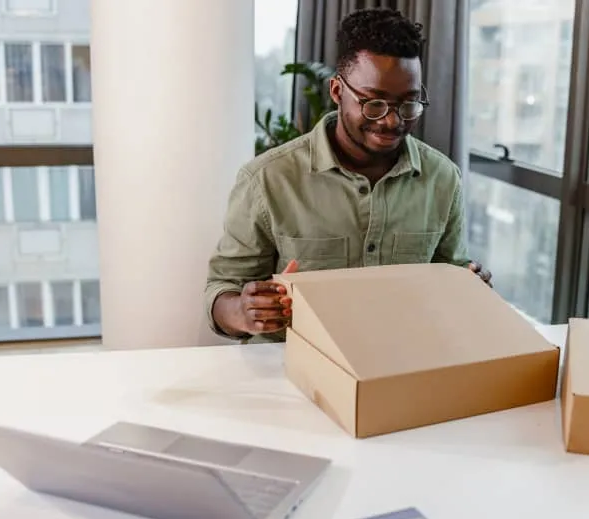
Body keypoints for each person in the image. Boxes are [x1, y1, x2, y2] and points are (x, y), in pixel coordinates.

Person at [205, 7, 492, 343]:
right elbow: (221, 290)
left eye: (408, 104)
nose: (391, 121)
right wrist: (242, 311)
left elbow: (449, 279)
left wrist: (469, 286)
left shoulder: (443, 179)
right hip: (294, 373)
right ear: (337, 92)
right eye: (374, 103)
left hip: (402, 363)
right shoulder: (268, 179)